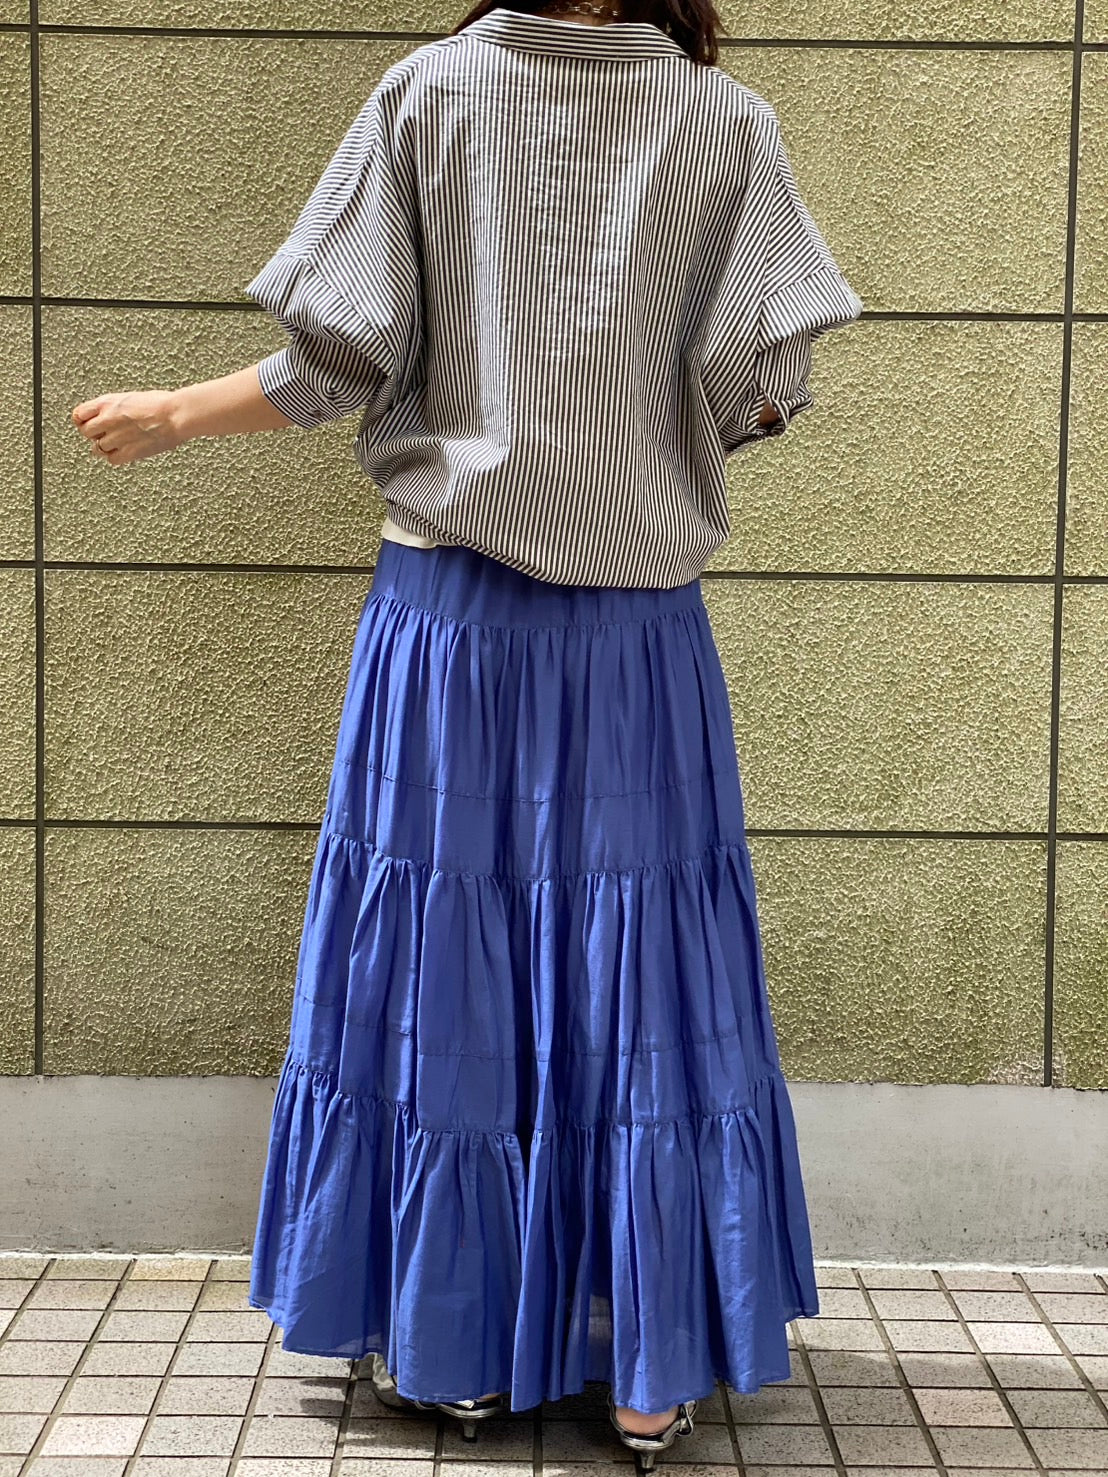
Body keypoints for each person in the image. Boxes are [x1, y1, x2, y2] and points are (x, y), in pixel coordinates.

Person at [70, 0, 863, 1467]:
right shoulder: (724, 120)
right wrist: (627, 420)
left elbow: (334, 361)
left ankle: (458, 1350)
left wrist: (175, 412)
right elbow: (762, 383)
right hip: (634, 636)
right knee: (641, 964)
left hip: (453, 624)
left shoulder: (430, 94)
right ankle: (647, 1366)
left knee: (449, 960)